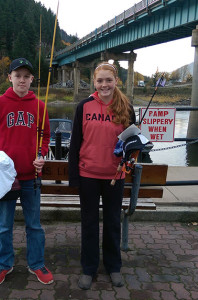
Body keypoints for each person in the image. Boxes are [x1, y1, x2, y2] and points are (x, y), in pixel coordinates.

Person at [0, 58, 53, 287]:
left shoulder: (40, 106)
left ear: (32, 79)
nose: (22, 80)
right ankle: (4, 264)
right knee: (4, 225)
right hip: (6, 179)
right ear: (9, 77)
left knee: (34, 224)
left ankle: (37, 263)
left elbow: (45, 137)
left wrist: (41, 155)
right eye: (17, 75)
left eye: (26, 76)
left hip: (31, 177)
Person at [68, 62, 136, 290]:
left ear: (116, 81)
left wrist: (134, 153)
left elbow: (132, 142)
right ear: (94, 83)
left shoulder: (126, 107)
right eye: (100, 81)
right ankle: (88, 268)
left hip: (115, 175)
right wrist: (74, 176)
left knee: (112, 222)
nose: (104, 85)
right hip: (88, 174)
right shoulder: (84, 107)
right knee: (89, 223)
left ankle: (113, 266)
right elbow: (75, 142)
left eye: (109, 80)